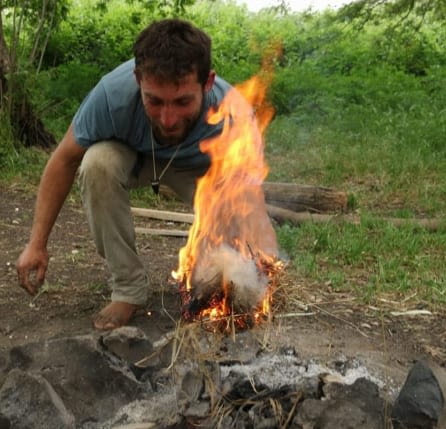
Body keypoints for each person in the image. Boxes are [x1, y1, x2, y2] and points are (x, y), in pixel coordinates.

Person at [16, 18, 276, 330]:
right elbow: (63, 160)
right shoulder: (112, 95)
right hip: (136, 158)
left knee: (232, 245)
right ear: (138, 79)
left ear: (207, 83)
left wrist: (258, 270)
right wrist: (37, 244)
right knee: (97, 162)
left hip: (202, 175)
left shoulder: (234, 116)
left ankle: (215, 284)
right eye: (154, 101)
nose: (168, 119)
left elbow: (250, 200)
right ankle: (128, 290)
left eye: (182, 102)